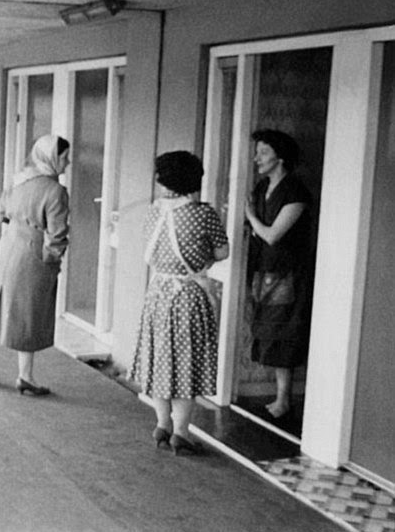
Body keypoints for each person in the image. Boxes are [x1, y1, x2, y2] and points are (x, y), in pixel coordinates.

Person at [129, 151, 229, 455]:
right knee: (187, 362)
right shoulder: (203, 214)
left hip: (158, 292)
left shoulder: (153, 212)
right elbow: (223, 252)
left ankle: (162, 424)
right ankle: (182, 431)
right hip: (188, 295)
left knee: (160, 359)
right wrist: (205, 259)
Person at [0, 134, 70, 396]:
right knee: (29, 313)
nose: (68, 162)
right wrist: (52, 261)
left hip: (7, 248)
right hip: (33, 253)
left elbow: (2, 212)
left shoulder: (19, 180)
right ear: (51, 158)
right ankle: (25, 376)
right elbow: (58, 233)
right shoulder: (55, 191)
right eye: (64, 157)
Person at [244, 129, 313, 420]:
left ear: (280, 157)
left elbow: (272, 235)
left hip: (287, 274)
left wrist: (250, 216)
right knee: (267, 331)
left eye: (264, 152)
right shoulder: (262, 188)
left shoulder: (296, 192)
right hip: (263, 270)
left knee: (283, 334)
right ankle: (280, 397)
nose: (257, 158)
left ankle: (284, 399)